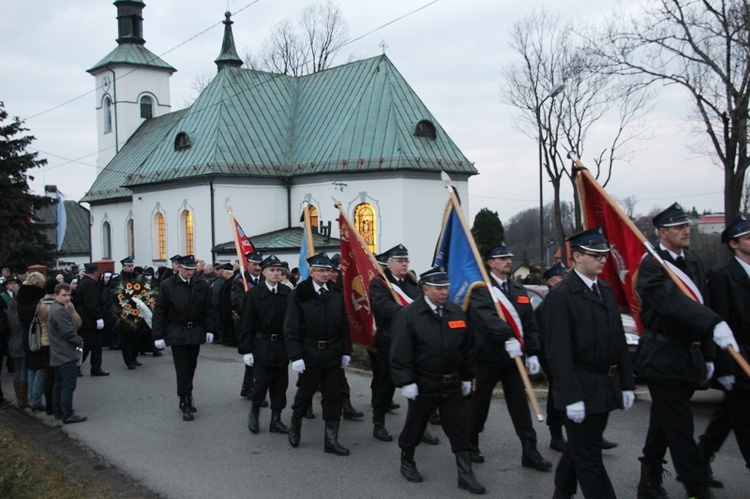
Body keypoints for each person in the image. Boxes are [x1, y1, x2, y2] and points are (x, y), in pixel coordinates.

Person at [635, 203, 739, 499]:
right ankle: (695, 486)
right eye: (678, 227)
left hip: (688, 356)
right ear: (661, 232)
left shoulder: (693, 262)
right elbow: (673, 303)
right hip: (661, 357)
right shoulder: (652, 265)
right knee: (680, 425)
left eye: (686, 226)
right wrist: (713, 323)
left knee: (664, 420)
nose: (685, 231)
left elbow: (701, 305)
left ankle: (649, 478)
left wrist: (709, 354)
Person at [542, 227, 635, 499]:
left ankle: (562, 492)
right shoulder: (562, 295)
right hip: (579, 385)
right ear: (577, 257)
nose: (602, 260)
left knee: (582, 446)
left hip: (604, 384)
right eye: (595, 255)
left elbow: (617, 339)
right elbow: (558, 352)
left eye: (604, 255)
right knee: (589, 456)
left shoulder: (604, 290)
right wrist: (571, 396)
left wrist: (627, 383)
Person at [390, 266, 485, 494]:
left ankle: (465, 474)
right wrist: (406, 381)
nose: (444, 292)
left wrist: (466, 376)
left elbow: (466, 348)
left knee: (458, 428)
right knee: (416, 425)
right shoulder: (409, 315)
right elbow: (400, 351)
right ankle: (407, 461)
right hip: (424, 383)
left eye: (446, 288)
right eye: (439, 288)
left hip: (451, 383)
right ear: (425, 289)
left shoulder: (455, 312)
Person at [466, 243, 551, 471]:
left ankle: (529, 450)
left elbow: (529, 324)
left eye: (509, 257)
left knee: (520, 404)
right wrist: (507, 338)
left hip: (515, 360)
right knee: (480, 402)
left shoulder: (517, 288)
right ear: (490, 263)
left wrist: (533, 352)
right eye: (502, 258)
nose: (508, 261)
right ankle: (471, 442)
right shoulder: (481, 289)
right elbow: (485, 318)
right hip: (489, 357)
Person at [369, 244, 440, 445]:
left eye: (406, 261)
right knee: (385, 384)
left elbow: (423, 302)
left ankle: (421, 427)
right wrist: (411, 314)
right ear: (390, 264)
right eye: (400, 261)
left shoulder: (412, 282)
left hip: (414, 343)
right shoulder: (380, 283)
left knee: (420, 387)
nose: (404, 264)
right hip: (389, 341)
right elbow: (383, 307)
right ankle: (379, 423)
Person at [697, 215, 750, 479]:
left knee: (728, 416)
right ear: (734, 244)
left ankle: (700, 458)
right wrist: (725, 368)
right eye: (748, 238)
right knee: (744, 420)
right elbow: (720, 325)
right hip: (740, 361)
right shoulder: (724, 278)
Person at [284, 252, 352, 455]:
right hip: (310, 352)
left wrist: (345, 351)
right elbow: (291, 327)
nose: (325, 274)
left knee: (333, 396)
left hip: (332, 352)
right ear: (311, 272)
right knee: (305, 394)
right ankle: (295, 425)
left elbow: (343, 325)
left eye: (328, 270)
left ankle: (331, 440)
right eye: (321, 270)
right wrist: (296, 356)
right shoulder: (300, 294)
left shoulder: (335, 292)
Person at [152, 255, 215, 421]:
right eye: (187, 269)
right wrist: (158, 335)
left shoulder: (200, 284)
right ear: (179, 267)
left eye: (192, 270)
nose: (189, 273)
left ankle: (186, 394)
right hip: (177, 330)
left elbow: (208, 308)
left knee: (191, 365)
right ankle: (186, 400)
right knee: (182, 367)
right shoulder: (168, 285)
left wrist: (210, 329)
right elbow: (160, 311)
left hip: (194, 330)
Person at [238, 255, 291, 434]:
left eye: (279, 270)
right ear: (264, 272)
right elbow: (247, 323)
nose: (276, 274)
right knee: (261, 383)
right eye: (272, 270)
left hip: (281, 345)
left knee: (280, 384)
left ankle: (276, 419)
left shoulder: (287, 293)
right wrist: (246, 350)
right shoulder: (254, 294)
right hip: (262, 344)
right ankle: (254, 413)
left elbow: (292, 322)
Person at [535, 262, 569, 452]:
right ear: (552, 282)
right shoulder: (546, 305)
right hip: (552, 357)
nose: (566, 281)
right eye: (562, 278)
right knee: (557, 396)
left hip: (569, 355)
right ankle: (556, 435)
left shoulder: (568, 299)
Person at [48, 283, 87, 424]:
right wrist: (78, 340)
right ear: (56, 295)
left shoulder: (55, 308)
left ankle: (58, 411)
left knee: (59, 383)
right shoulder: (59, 311)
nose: (67, 298)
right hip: (65, 353)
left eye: (69, 295)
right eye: (64, 295)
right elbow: (68, 332)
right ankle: (67, 414)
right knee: (67, 385)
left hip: (57, 352)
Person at [17, 272, 47, 411]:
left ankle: (31, 397)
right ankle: (35, 399)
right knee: (40, 367)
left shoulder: (21, 299)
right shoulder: (38, 301)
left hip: (25, 335)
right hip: (36, 335)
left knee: (31, 367)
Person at [74, 263, 108, 376]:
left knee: (96, 345)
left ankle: (95, 367)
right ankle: (76, 366)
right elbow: (91, 303)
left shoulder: (83, 282)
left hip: (85, 320)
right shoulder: (90, 284)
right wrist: (98, 317)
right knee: (88, 345)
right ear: (94, 272)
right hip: (90, 321)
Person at [111, 257, 144, 369]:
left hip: (137, 312)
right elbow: (114, 296)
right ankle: (128, 360)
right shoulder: (117, 280)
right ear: (123, 267)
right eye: (128, 266)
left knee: (137, 337)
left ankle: (134, 357)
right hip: (125, 312)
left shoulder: (137, 278)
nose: (130, 268)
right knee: (127, 338)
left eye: (131, 266)